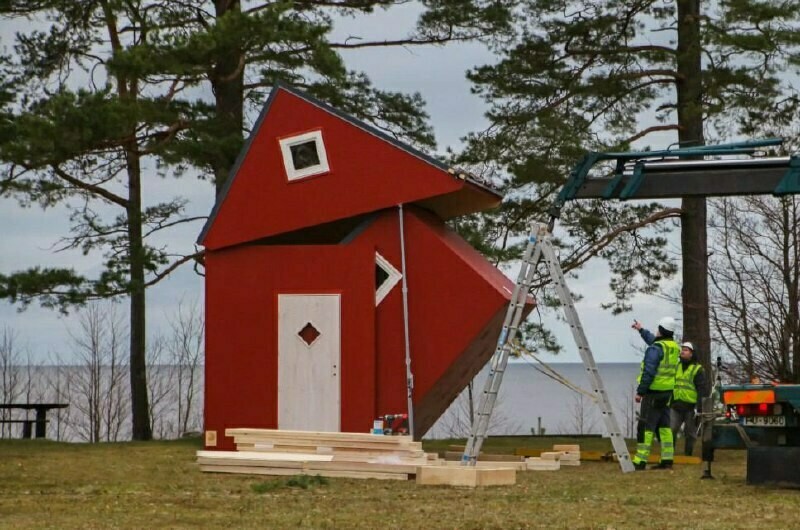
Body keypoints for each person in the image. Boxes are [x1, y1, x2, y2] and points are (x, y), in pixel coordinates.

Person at [631, 317, 680, 470]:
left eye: (658, 329)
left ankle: (640, 460)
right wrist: (640, 329)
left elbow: (649, 371)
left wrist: (640, 391)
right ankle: (667, 459)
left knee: (646, 426)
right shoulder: (673, 347)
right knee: (664, 426)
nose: (656, 331)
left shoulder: (656, 349)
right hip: (667, 392)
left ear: (662, 330)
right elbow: (653, 341)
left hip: (653, 392)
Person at [670, 341, 706, 456]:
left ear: (692, 353)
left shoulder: (697, 369)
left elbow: (701, 390)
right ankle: (669, 454)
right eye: (682, 349)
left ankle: (688, 454)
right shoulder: (676, 367)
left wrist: (698, 407)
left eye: (686, 350)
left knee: (690, 433)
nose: (682, 352)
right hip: (676, 405)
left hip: (691, 407)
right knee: (671, 429)